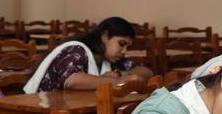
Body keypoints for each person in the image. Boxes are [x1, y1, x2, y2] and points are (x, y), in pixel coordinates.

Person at [23, 16, 153, 93]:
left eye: (127, 47)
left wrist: (121, 74)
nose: (124, 51)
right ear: (105, 36)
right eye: (121, 44)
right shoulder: (76, 50)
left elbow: (146, 72)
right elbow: (72, 80)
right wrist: (118, 81)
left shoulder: (109, 58)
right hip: (44, 112)